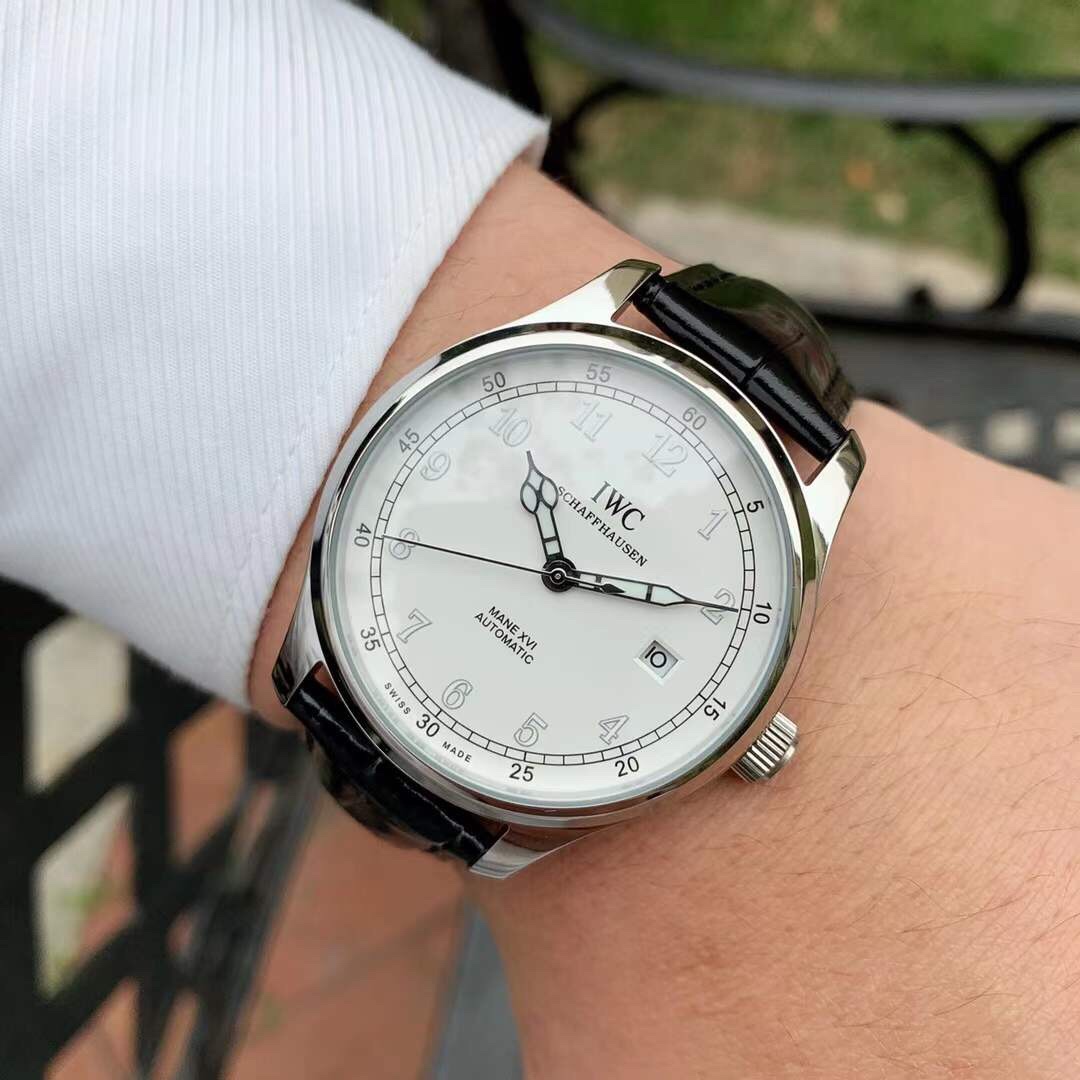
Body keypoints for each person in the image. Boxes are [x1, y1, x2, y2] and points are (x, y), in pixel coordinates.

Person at [3, 3, 1079, 1075]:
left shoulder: (719, 628)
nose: (559, 574)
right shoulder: (594, 334)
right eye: (561, 562)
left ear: (759, 736)